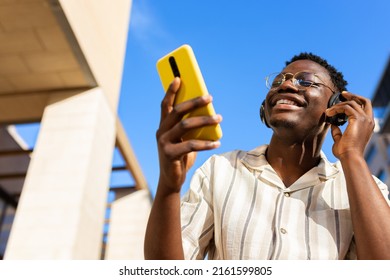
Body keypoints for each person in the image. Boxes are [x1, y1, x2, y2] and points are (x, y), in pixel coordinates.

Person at [144, 52, 390, 260]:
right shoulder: (220, 170)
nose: (286, 84)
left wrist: (352, 155)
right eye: (278, 81)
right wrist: (168, 187)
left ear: (336, 108)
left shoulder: (363, 189)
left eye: (306, 81)